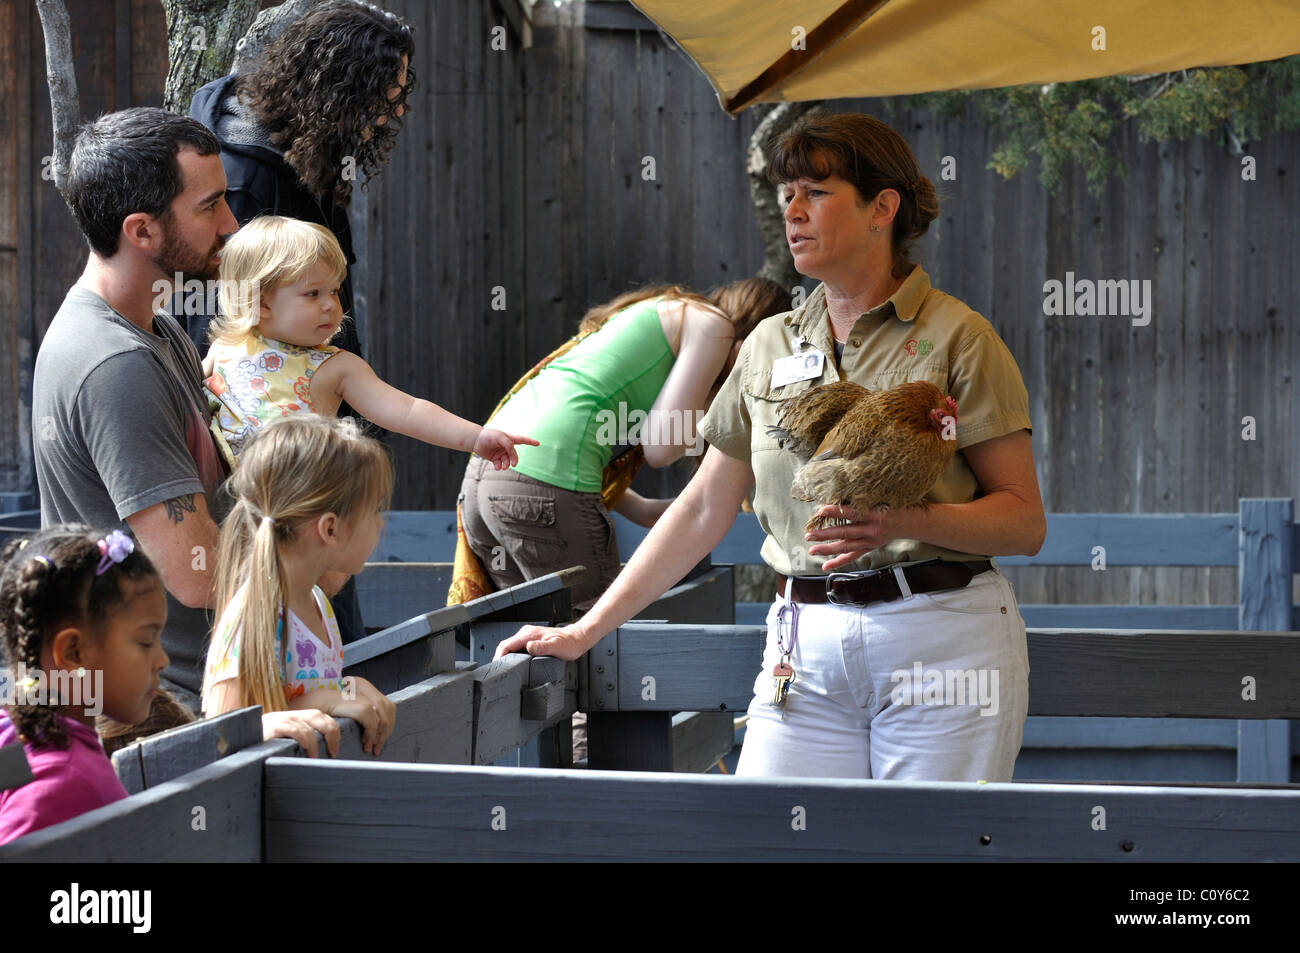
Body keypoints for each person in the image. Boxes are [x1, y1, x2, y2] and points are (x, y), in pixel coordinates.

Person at [495, 112, 1046, 782]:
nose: (794, 209)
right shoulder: (767, 344)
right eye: (788, 193)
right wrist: (586, 631)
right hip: (802, 646)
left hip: (940, 638)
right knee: (770, 839)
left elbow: (1023, 520)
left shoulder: (962, 337)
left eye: (816, 191)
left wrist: (903, 521)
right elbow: (702, 509)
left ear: (882, 207)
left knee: (927, 849)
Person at [35, 107, 342, 755]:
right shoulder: (115, 362)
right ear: (142, 230)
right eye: (209, 207)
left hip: (197, 693)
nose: (231, 225)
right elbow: (197, 573)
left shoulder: (158, 329)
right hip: (160, 716)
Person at [189, 0, 415, 643]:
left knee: (330, 606)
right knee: (299, 617)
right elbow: (217, 310)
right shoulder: (248, 170)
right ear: (335, 86)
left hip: (313, 432)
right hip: (269, 468)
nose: (393, 111)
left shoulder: (306, 140)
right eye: (383, 94)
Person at [455, 278, 791, 612]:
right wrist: (728, 389)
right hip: (540, 494)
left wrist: (645, 508)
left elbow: (559, 435)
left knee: (537, 633)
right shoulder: (713, 326)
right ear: (754, 342)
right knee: (597, 640)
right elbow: (661, 446)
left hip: (485, 481)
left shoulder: (656, 310)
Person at [202, 215, 534, 470]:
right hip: (230, 507)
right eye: (312, 293)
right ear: (260, 303)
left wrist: (475, 438)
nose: (331, 304)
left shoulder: (336, 366)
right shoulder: (223, 349)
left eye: (334, 290)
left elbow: (407, 411)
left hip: (304, 507)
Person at [202, 415, 397, 757]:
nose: (381, 522)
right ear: (330, 529)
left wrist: (345, 691)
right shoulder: (254, 616)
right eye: (375, 509)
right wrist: (317, 702)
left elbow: (303, 692)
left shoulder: (317, 602)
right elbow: (217, 738)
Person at [0, 526, 165, 844]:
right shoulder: (64, 784)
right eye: (146, 641)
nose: (162, 660)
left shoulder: (16, 733)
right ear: (74, 653)